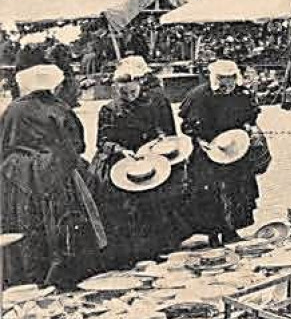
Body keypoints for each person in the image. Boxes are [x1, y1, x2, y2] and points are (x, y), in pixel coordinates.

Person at [1, 50, 100, 287]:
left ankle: (26, 276)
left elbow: (3, 144)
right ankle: (64, 273)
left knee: (25, 224)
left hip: (20, 177)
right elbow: (78, 144)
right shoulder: (61, 108)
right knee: (63, 224)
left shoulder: (14, 110)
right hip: (58, 173)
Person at [91, 56, 186, 265]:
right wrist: (121, 150)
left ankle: (155, 248)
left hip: (146, 159)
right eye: (124, 93)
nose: (129, 96)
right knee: (123, 207)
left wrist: (159, 138)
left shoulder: (150, 103)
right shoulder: (108, 110)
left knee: (154, 203)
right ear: (116, 89)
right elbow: (103, 142)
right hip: (119, 161)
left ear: (139, 86)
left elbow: (159, 130)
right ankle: (128, 254)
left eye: (133, 92)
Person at [179, 59, 262, 245]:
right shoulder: (199, 96)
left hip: (235, 148)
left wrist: (250, 129)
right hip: (208, 150)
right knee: (211, 193)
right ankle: (213, 233)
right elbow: (187, 126)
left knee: (237, 190)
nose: (228, 84)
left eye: (231, 79)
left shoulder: (242, 95)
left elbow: (250, 116)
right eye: (223, 80)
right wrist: (200, 140)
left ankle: (231, 231)